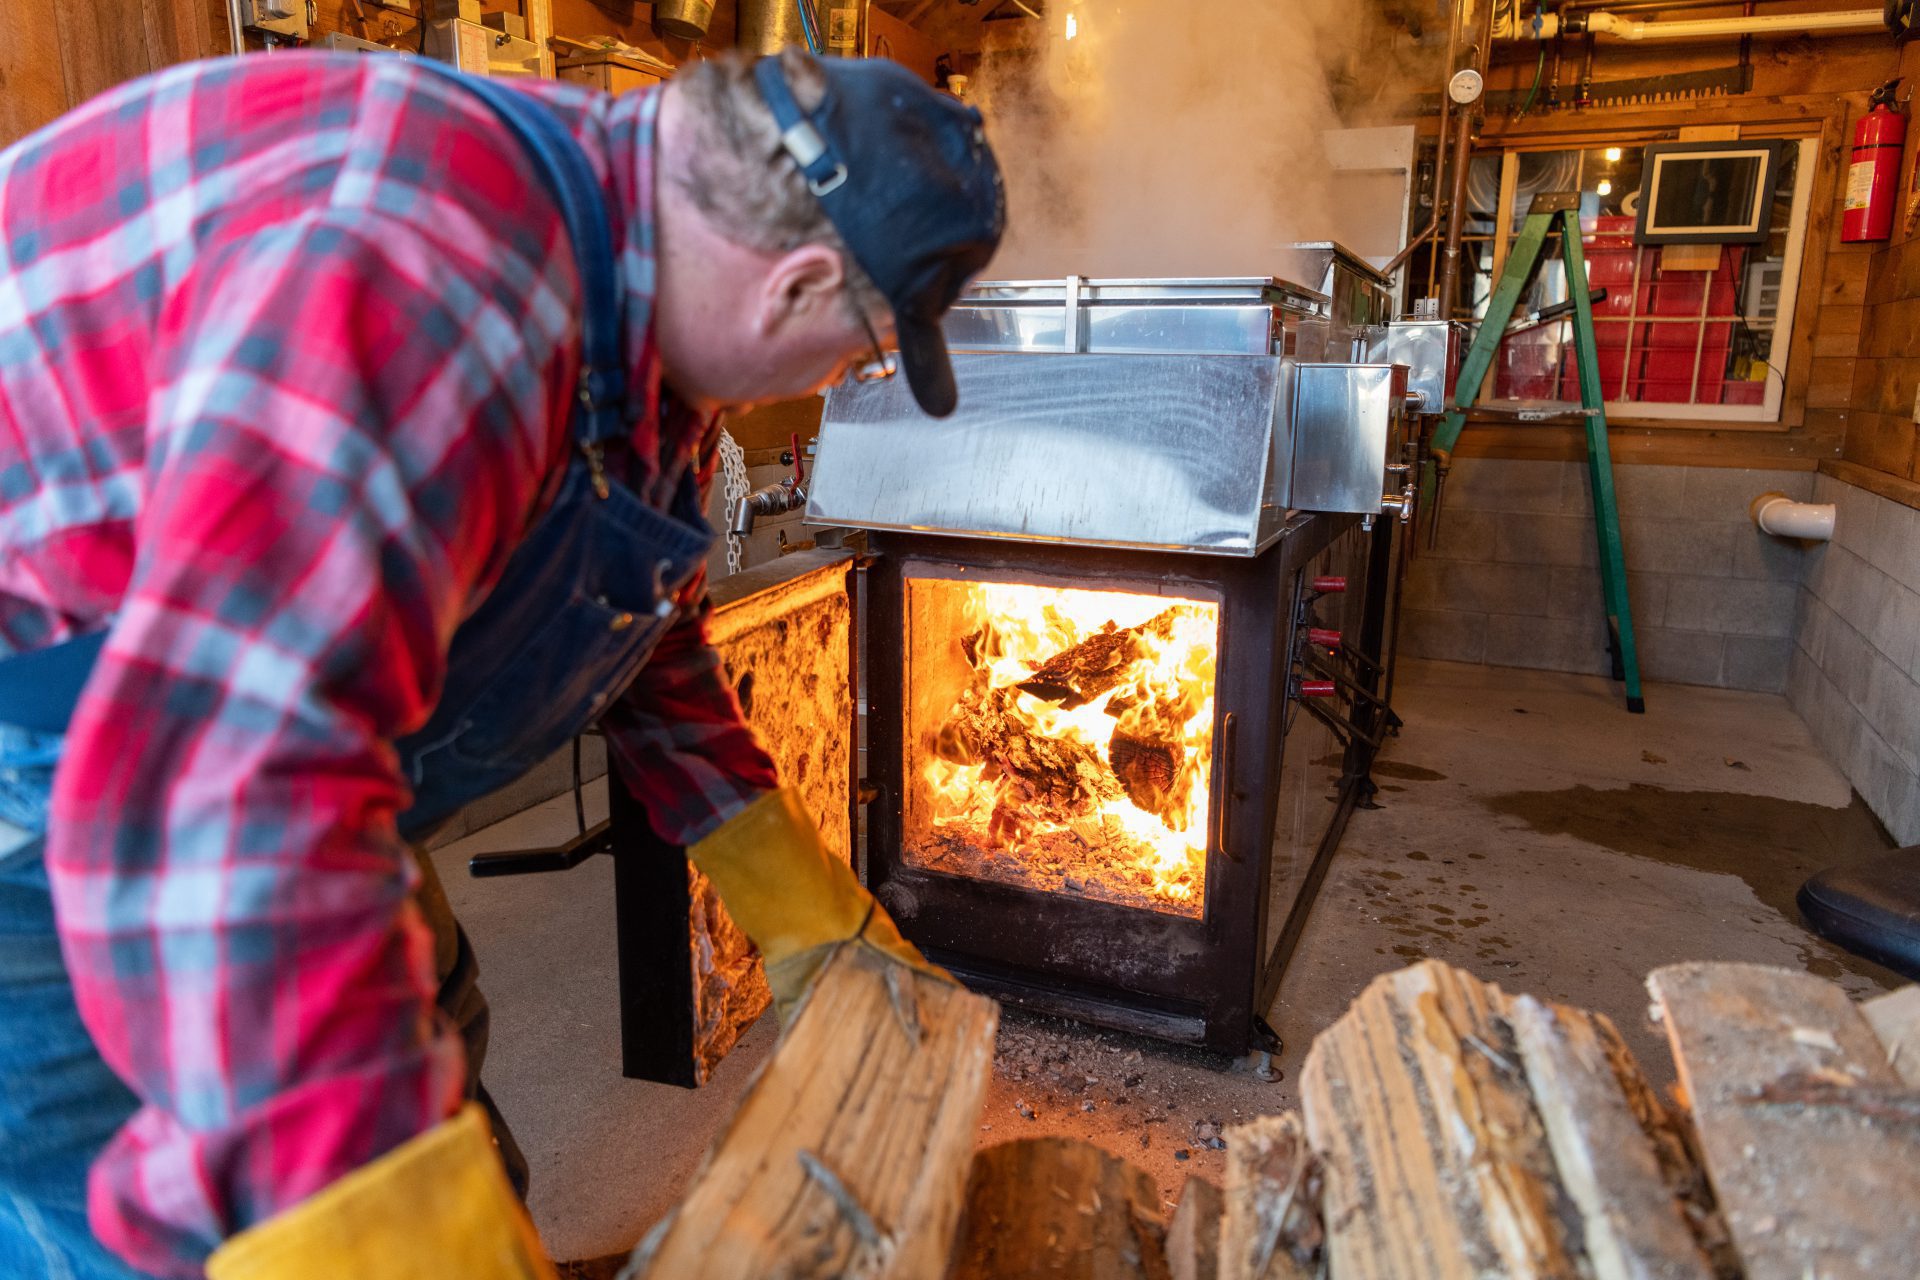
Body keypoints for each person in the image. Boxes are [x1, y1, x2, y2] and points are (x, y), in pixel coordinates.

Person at [0, 43, 1002, 1280]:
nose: (839, 381)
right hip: (68, 771)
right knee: (167, 1212)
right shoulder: (430, 290)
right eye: (860, 354)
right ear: (794, 286)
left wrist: (791, 893)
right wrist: (372, 1207)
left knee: (431, 1044)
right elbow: (221, 785)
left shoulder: (622, 264)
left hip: (235, 706)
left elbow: (629, 603)